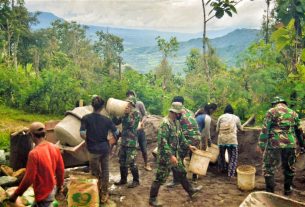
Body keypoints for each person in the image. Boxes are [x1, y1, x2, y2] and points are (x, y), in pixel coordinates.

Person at [148, 102, 202, 207]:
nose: (181, 114)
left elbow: (180, 136)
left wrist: (189, 146)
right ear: (174, 112)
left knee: (181, 173)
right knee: (160, 178)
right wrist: (171, 156)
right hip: (166, 157)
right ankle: (152, 199)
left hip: (175, 155)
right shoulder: (165, 123)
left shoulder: (176, 122)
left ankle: (191, 190)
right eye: (180, 113)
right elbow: (162, 142)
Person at [9, 122, 64, 207]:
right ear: (45, 134)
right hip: (52, 188)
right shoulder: (55, 148)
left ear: (31, 135)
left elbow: (28, 179)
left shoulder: (34, 153)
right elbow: (60, 170)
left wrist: (16, 195)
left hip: (43, 193)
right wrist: (59, 186)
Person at [257, 96, 305, 195]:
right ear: (284, 103)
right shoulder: (293, 113)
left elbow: (265, 129)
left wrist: (262, 145)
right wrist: (302, 145)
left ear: (275, 104)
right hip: (290, 145)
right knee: (289, 168)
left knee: (269, 168)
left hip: (274, 144)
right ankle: (288, 190)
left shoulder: (271, 111)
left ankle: (270, 193)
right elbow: (299, 132)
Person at [80, 96, 119, 204]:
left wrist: (88, 139)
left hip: (92, 150)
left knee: (95, 172)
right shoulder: (107, 120)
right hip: (104, 149)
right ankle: (104, 194)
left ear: (92, 106)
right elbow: (116, 132)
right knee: (105, 171)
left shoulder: (86, 118)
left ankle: (95, 191)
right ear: (102, 107)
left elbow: (82, 133)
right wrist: (112, 141)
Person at [166, 96, 201, 187]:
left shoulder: (177, 113)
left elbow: (175, 130)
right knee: (193, 156)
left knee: (177, 157)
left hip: (187, 138)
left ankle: (176, 180)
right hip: (197, 137)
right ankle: (194, 177)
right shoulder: (190, 112)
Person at [114, 96, 141, 188]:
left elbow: (131, 124)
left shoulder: (136, 113)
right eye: (126, 103)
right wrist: (114, 113)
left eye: (129, 104)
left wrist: (126, 114)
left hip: (131, 142)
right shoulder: (124, 112)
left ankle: (136, 180)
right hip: (124, 141)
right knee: (122, 161)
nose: (127, 105)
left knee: (131, 162)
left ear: (132, 105)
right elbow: (116, 122)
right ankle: (123, 179)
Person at [126, 90, 152, 171]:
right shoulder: (126, 106)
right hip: (131, 132)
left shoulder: (139, 103)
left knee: (143, 148)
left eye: (132, 95)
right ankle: (132, 166)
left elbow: (145, 115)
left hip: (140, 130)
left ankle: (146, 164)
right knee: (132, 149)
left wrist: (141, 122)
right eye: (129, 95)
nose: (130, 97)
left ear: (135, 96)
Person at [216, 104, 243, 177]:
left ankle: (221, 170)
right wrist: (239, 128)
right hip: (232, 140)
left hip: (221, 140)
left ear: (225, 111)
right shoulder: (236, 118)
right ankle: (230, 174)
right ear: (232, 111)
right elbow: (241, 129)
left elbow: (217, 130)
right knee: (233, 157)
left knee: (221, 156)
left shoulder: (220, 117)